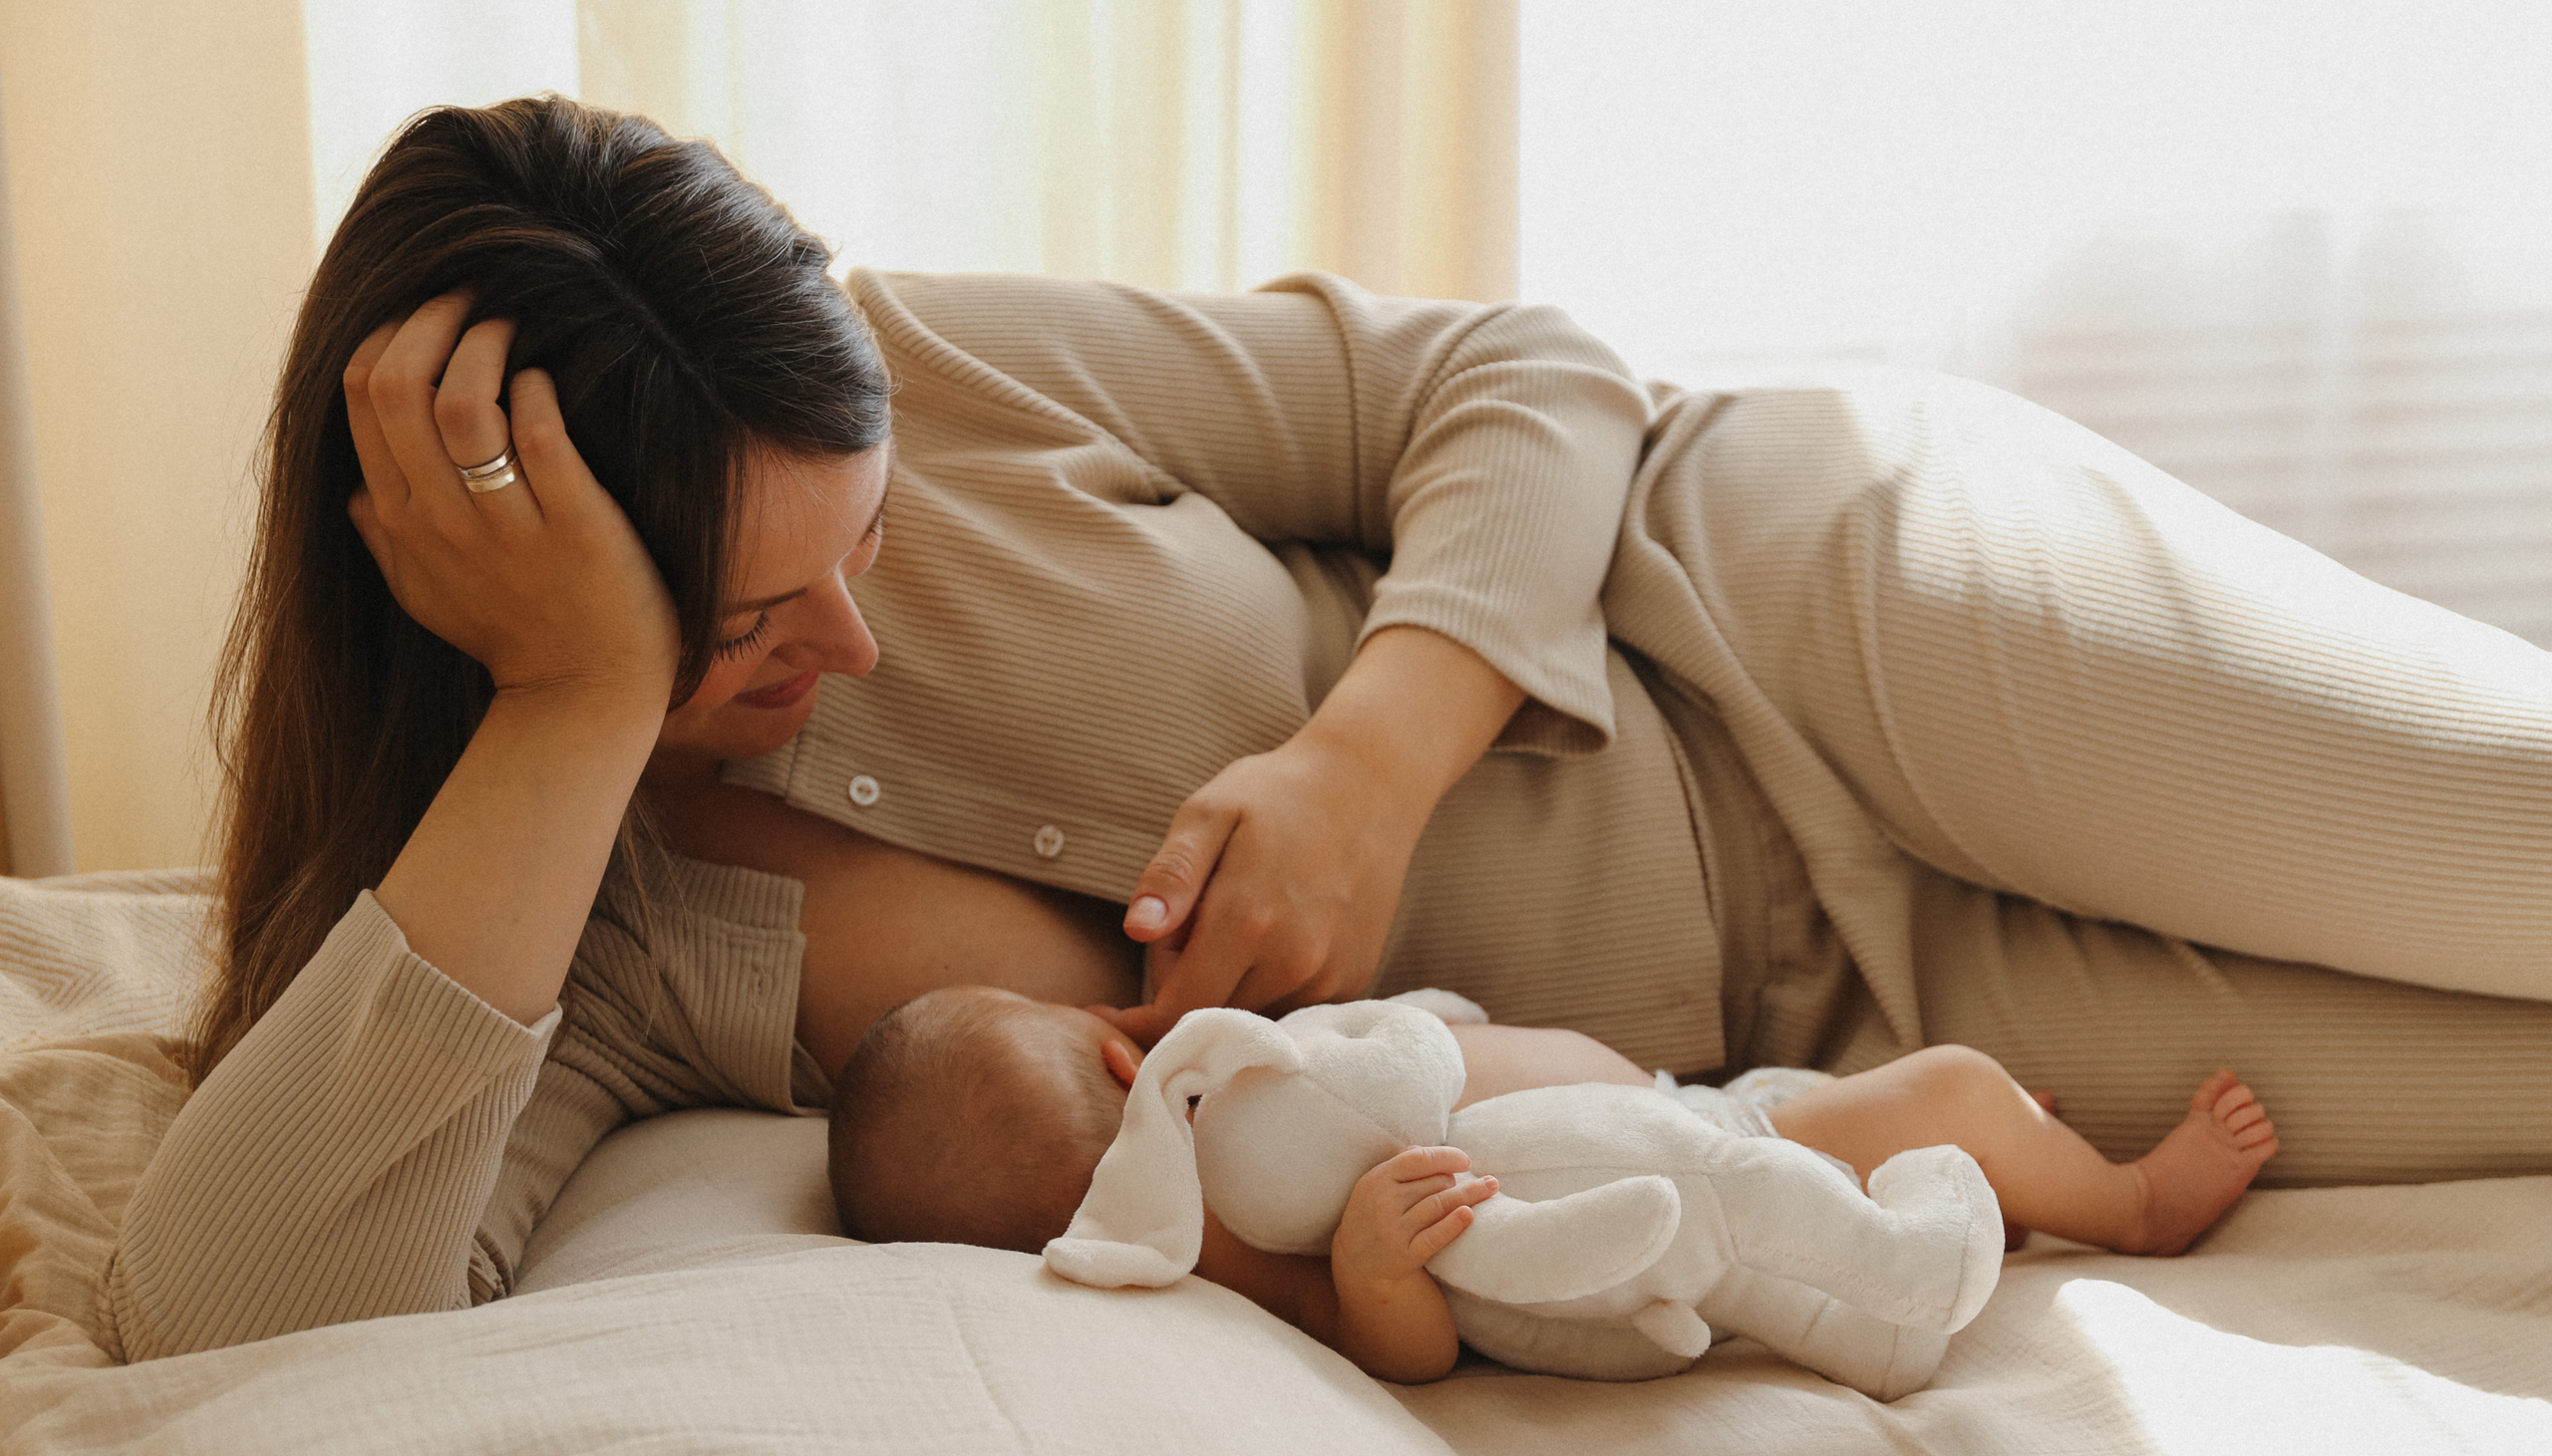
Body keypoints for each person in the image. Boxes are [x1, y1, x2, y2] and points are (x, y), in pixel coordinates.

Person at [102, 94, 2552, 1365]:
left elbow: (1523, 369)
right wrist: (582, 706)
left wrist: (1372, 755)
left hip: (1801, 624)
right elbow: (229, 1315)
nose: (852, 636)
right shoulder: (589, 935)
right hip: (1840, 1044)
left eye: (864, 548)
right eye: (752, 628)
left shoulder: (932, 357)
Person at [825, 986, 2277, 1383]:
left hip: (1701, 1116)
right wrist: (1383, 1278)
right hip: (1707, 1166)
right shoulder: (1241, 1238)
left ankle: (2020, 1170)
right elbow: (1399, 1347)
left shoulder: (1254, 1087)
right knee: (1955, 1090)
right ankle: (2138, 1203)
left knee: (1939, 1112)